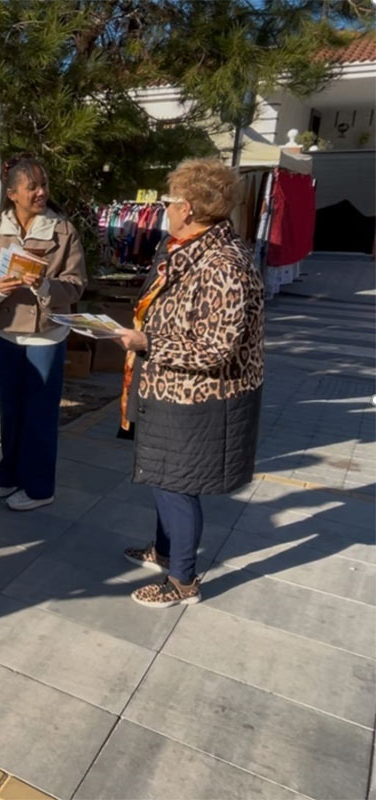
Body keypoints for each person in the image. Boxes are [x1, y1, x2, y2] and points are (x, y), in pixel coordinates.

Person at [114, 158, 264, 608]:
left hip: (198, 395)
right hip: (168, 386)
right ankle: (164, 551)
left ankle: (183, 583)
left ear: (192, 208)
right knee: (164, 474)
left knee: (177, 483)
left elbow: (215, 348)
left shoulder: (224, 263)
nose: (165, 209)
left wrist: (148, 341)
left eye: (171, 202)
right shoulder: (184, 246)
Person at [0, 153, 86, 511]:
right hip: (7, 332)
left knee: (39, 415)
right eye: (32, 186)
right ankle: (9, 475)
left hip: (46, 334)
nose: (40, 192)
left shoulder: (63, 230)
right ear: (12, 193)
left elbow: (77, 283)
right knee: (11, 411)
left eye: (44, 185)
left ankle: (38, 488)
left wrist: (47, 286)